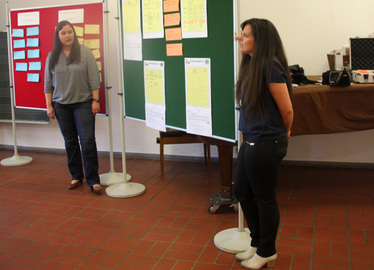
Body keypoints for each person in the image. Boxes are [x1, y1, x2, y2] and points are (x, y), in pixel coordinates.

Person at [233, 18, 293, 269]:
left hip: (267, 141)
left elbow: (287, 109)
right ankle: (256, 242)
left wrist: (286, 131)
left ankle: (267, 250)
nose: (240, 38)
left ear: (261, 40)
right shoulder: (253, 64)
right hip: (251, 139)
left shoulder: (270, 66)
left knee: (264, 197)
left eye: (245, 35)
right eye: (241, 34)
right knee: (242, 192)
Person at [44, 20, 103, 194]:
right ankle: (76, 175)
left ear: (74, 34)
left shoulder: (85, 52)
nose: (67, 35)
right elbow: (48, 84)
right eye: (63, 33)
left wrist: (95, 100)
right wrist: (49, 106)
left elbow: (94, 78)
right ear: (58, 36)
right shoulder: (52, 55)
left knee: (87, 142)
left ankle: (93, 180)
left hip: (83, 103)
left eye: (69, 32)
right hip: (60, 105)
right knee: (70, 142)